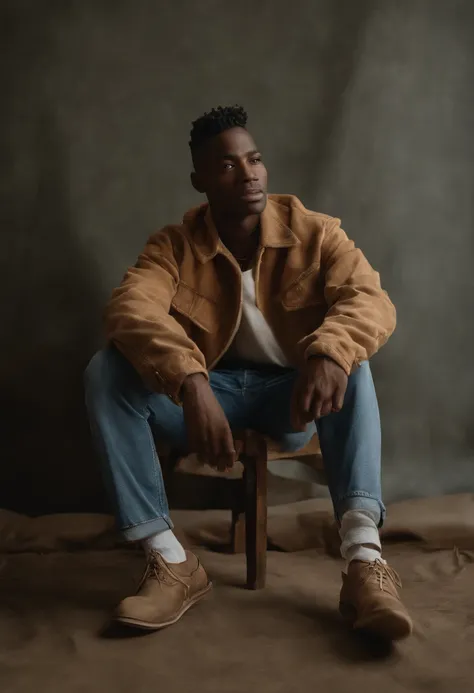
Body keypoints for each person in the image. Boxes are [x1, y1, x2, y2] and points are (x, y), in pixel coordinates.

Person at [84, 105, 412, 641]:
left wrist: (329, 353)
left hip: (291, 397)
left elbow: (369, 300)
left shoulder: (317, 232)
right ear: (200, 181)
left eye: (254, 159)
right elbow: (130, 311)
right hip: (207, 397)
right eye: (228, 165)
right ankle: (170, 561)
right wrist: (190, 381)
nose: (249, 173)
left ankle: (364, 562)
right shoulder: (172, 246)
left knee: (352, 362)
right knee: (107, 370)